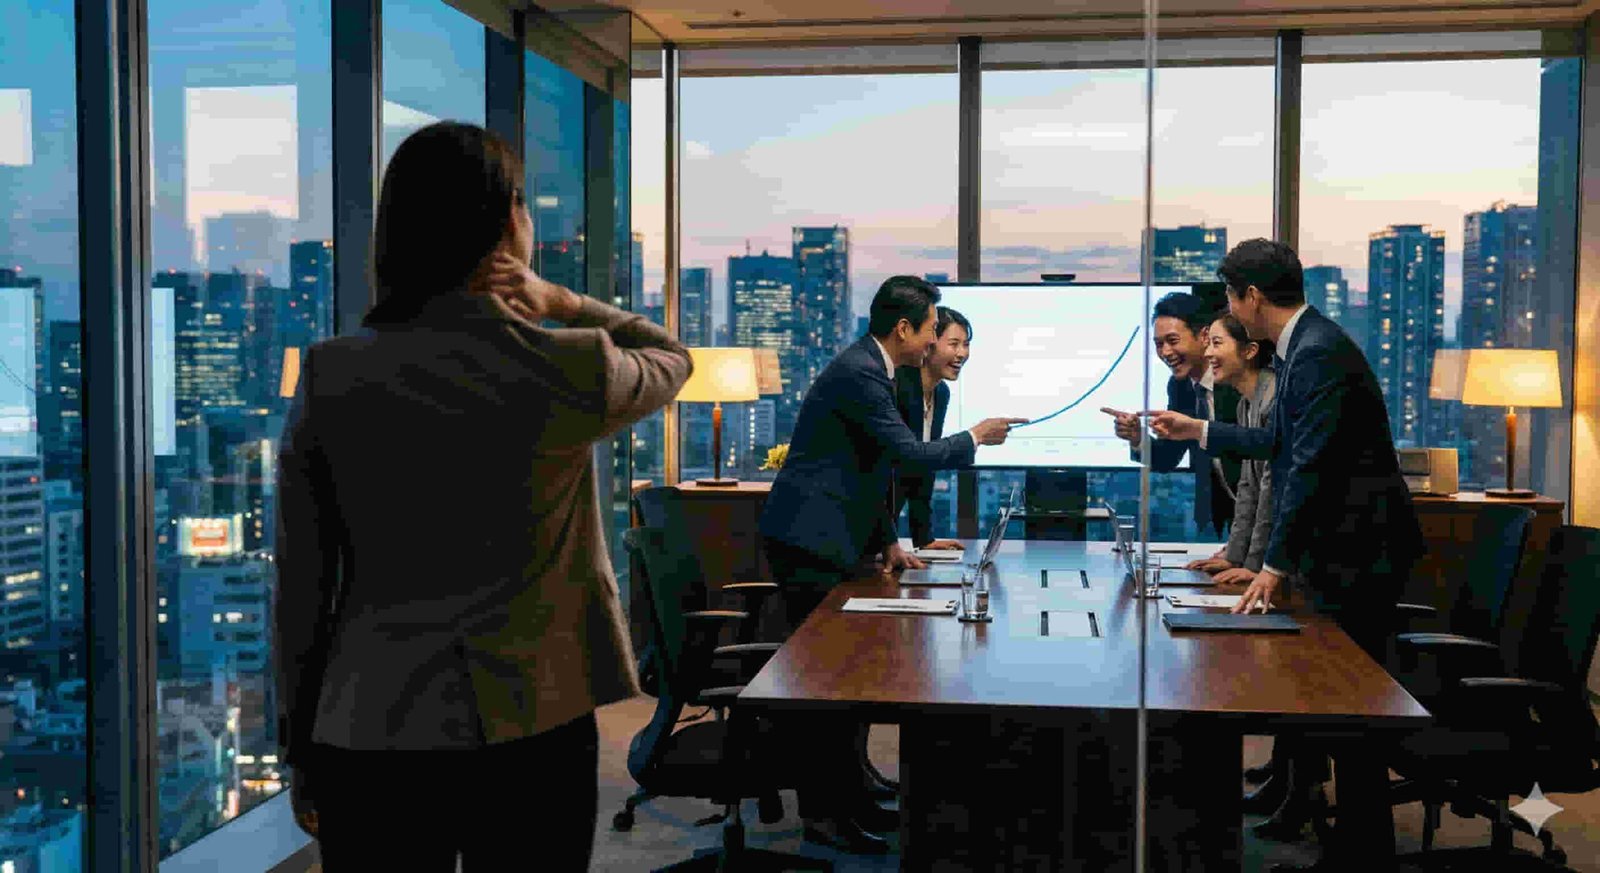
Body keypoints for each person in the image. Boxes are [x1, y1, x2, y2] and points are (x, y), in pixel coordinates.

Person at [273, 122, 691, 871]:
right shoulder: (566, 364)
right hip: (533, 716)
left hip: (372, 721)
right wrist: (559, 299)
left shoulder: (332, 375)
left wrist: (298, 740)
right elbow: (669, 355)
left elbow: (302, 584)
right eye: (525, 206)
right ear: (505, 226)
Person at [1146, 238, 1423, 871]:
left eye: (1230, 300)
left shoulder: (1317, 352)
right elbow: (1279, 439)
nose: (1227, 314)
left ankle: (1361, 850)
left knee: (1350, 706)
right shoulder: (1308, 344)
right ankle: (1354, 840)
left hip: (1360, 549)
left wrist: (1274, 564)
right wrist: (1201, 430)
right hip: (1346, 545)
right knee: (1339, 705)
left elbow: (1309, 463)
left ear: (1251, 297)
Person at [759, 276, 1023, 852]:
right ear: (904, 329)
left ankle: (849, 799)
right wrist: (975, 437)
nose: (934, 341)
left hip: (837, 537)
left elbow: (874, 472)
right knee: (826, 686)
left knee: (843, 679)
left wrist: (889, 543)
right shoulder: (861, 374)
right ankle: (825, 817)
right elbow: (905, 455)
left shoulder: (870, 369)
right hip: (810, 540)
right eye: (932, 329)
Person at [1102, 292, 1241, 539]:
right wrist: (1137, 438)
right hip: (1232, 519)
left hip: (1263, 512)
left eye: (1173, 340)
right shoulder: (1180, 386)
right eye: (1158, 344)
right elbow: (1167, 459)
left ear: (1204, 336)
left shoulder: (1235, 380)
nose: (1165, 352)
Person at [1185, 314, 1277, 585]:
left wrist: (1255, 566)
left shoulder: (1274, 397)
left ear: (1249, 351)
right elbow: (1248, 486)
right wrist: (1234, 557)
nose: (1208, 352)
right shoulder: (1244, 404)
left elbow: (1271, 491)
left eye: (1216, 343)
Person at [892, 305, 973, 550]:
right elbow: (890, 468)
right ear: (929, 344)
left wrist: (924, 540)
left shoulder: (941, 392)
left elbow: (924, 468)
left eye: (966, 344)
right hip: (861, 523)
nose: (962, 353)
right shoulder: (899, 384)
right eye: (954, 344)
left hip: (883, 530)